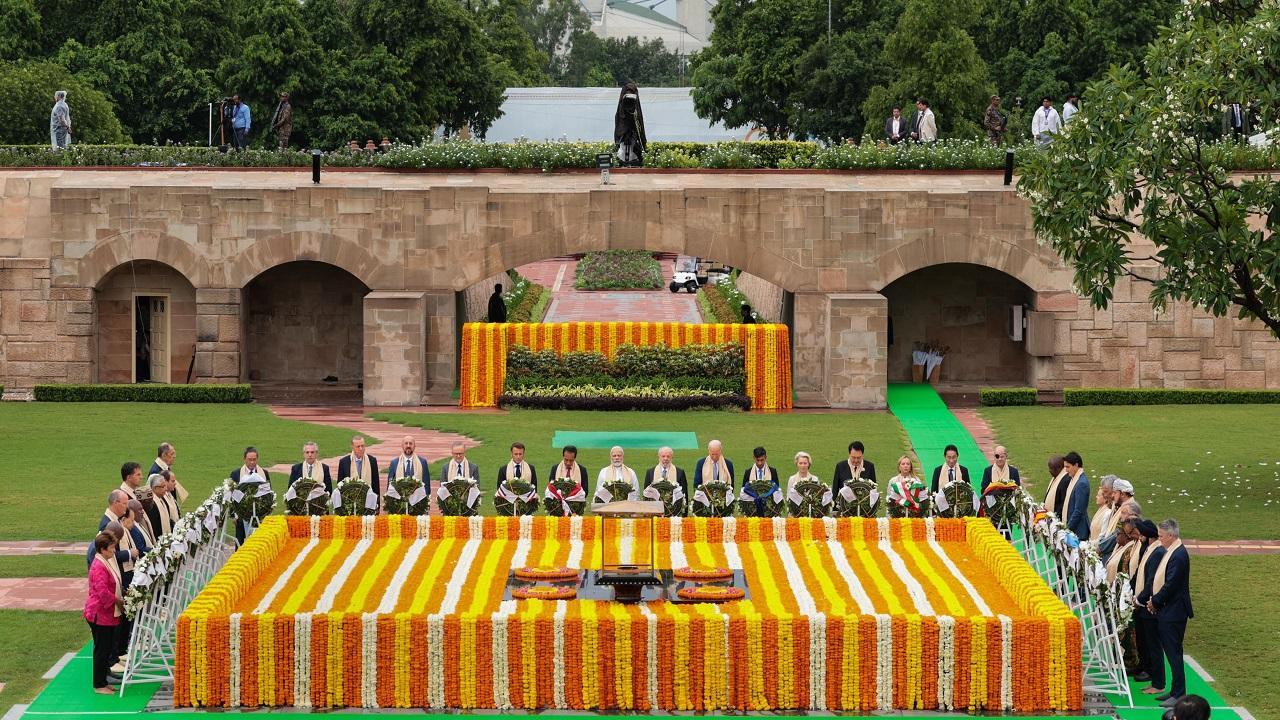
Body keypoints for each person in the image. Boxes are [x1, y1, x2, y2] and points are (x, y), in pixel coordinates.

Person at [1148, 518, 1193, 707]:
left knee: (1174, 653)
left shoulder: (1179, 555)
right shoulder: (1173, 552)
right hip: (1170, 609)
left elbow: (1171, 584)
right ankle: (1175, 691)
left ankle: (1179, 693)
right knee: (1171, 652)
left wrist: (1155, 601)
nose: (1159, 540)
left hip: (1174, 611)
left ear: (1171, 535)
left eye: (1161, 536)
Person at [85, 532, 123, 693]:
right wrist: (118, 601)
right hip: (99, 613)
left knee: (105, 649)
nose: (113, 551)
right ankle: (99, 685)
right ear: (102, 549)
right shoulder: (99, 566)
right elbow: (102, 592)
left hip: (104, 613)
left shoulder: (104, 561)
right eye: (111, 548)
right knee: (101, 650)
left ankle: (102, 680)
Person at [1130, 519, 1162, 683]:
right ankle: (1143, 665)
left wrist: (1140, 599)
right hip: (1140, 601)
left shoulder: (1156, 552)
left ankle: (1150, 670)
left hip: (1147, 604)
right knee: (1142, 638)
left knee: (1150, 641)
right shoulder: (1148, 549)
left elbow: (1151, 581)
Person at [1045, 452, 1091, 540]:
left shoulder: (1082, 483)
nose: (1066, 470)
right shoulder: (1074, 479)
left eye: (1068, 467)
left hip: (1078, 531)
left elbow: (1078, 511)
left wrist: (1067, 529)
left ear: (1076, 465)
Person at [230, 447, 271, 541]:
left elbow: (269, 493)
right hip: (240, 515)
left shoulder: (264, 473)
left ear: (257, 459)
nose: (252, 462)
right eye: (249, 460)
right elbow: (232, 495)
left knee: (259, 541)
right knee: (240, 542)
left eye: (254, 459)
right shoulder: (236, 474)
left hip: (260, 515)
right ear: (244, 459)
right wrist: (232, 515)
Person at [438, 443, 481, 514]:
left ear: (465, 453)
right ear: (452, 453)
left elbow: (477, 487)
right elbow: (442, 488)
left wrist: (466, 500)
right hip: (450, 508)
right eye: (456, 454)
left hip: (469, 507)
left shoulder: (473, 467)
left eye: (460, 453)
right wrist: (451, 502)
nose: (458, 456)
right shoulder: (445, 468)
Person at [546, 445, 589, 516]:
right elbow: (551, 489)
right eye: (566, 460)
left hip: (575, 509)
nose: (568, 463)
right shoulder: (555, 468)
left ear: (575, 458)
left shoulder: (582, 470)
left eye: (571, 460)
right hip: (557, 508)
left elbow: (585, 491)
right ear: (563, 457)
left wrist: (573, 502)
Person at [643, 446, 688, 513]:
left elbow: (684, 494)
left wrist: (684, 514)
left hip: (674, 511)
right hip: (654, 511)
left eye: (668, 456)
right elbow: (646, 494)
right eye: (663, 456)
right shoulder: (650, 472)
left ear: (672, 457)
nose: (665, 459)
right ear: (659, 457)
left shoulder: (679, 472)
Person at [495, 441, 537, 512]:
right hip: (508, 507)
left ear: (523, 454)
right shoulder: (503, 469)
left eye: (520, 454)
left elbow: (534, 488)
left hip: (526, 507)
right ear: (511, 454)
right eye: (516, 454)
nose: (518, 457)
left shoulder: (531, 468)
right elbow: (499, 489)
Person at [786, 451, 830, 517]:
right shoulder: (792, 479)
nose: (802, 466)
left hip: (811, 515)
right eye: (800, 463)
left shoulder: (815, 479)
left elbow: (818, 499)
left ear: (808, 464)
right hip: (795, 515)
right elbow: (788, 498)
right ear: (796, 464)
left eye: (805, 463)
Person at [739, 446, 781, 515]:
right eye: (757, 460)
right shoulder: (748, 472)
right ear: (753, 458)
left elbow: (777, 490)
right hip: (752, 510)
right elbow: (743, 491)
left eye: (762, 460)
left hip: (769, 510)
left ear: (766, 457)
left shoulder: (772, 471)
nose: (760, 463)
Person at [614, 81, 647, 167]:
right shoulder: (621, 107)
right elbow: (620, 115)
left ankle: (631, 161)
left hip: (632, 129)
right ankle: (624, 161)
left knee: (633, 146)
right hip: (624, 126)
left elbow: (638, 119)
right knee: (623, 146)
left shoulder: (636, 109)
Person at [1090, 475, 1118, 540]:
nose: (1104, 495)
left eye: (1105, 491)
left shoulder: (1110, 511)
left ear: (1114, 491)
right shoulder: (1110, 508)